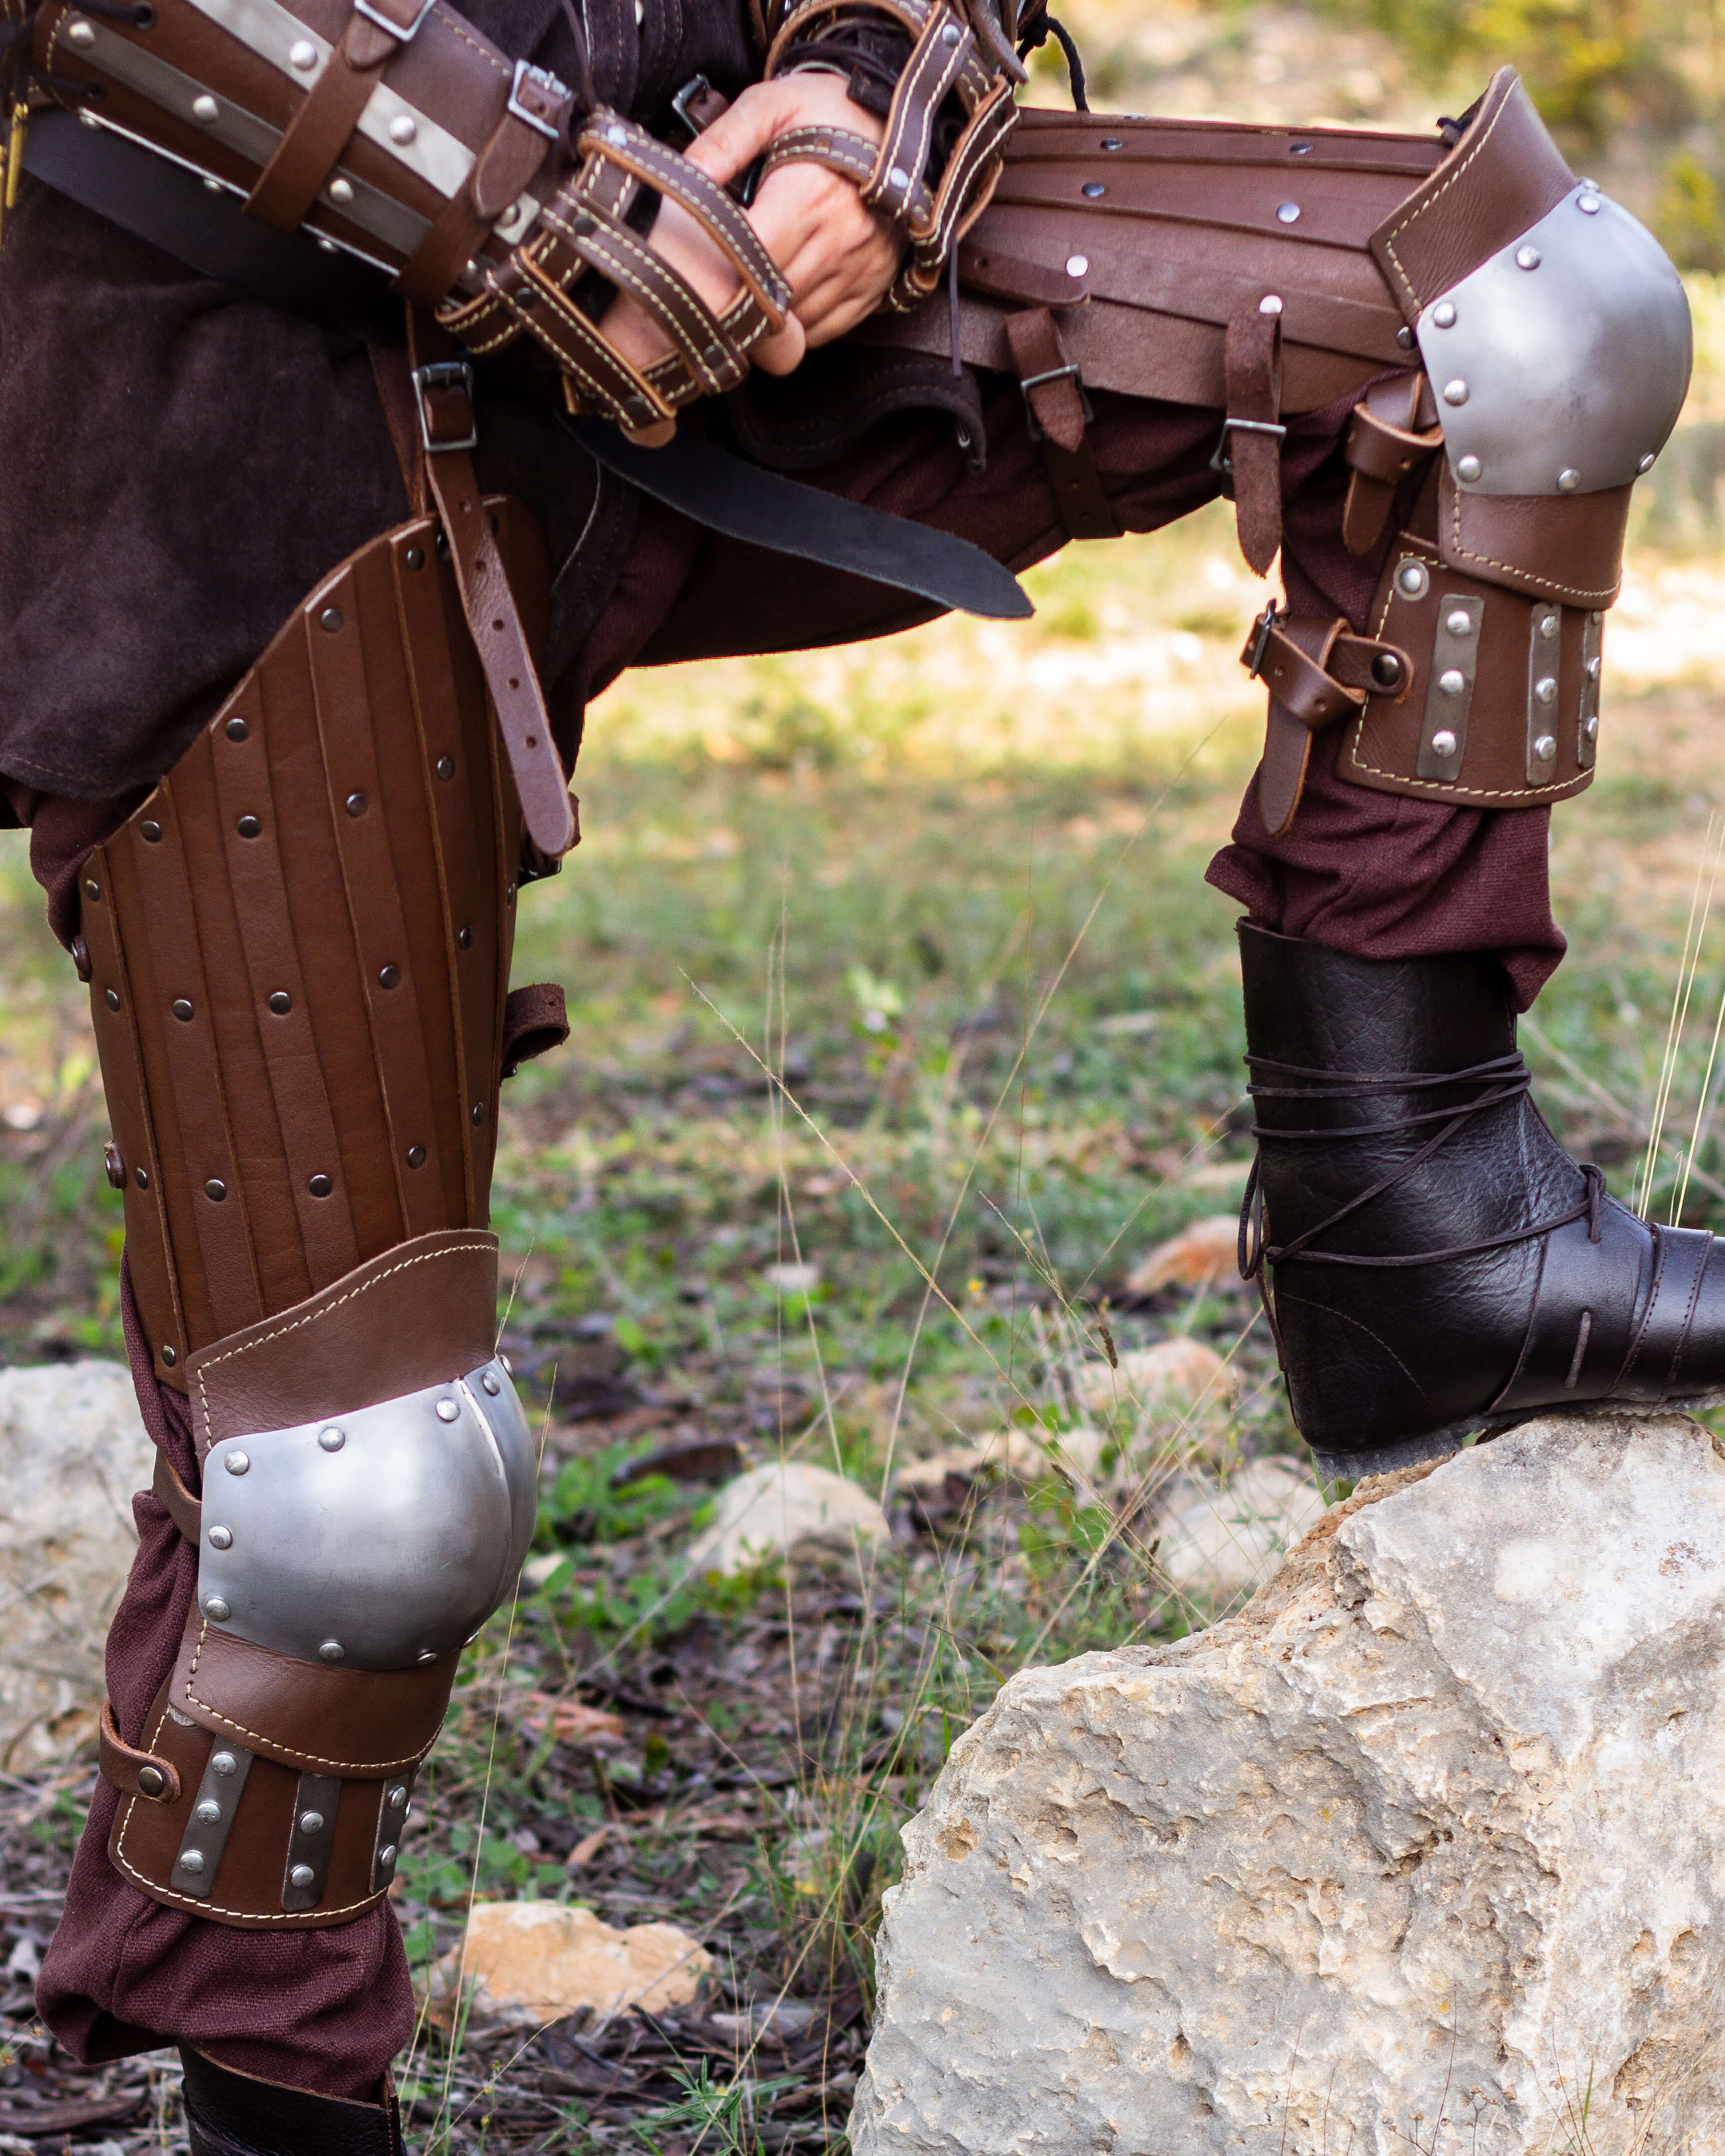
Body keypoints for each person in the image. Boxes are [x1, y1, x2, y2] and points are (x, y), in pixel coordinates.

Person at [0, 0, 1702, 2134]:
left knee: (1522, 308)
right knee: (355, 1510)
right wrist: (542, 212)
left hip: (750, 271)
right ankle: (279, 2094)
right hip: (251, 395)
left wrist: (873, 106)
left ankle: (1427, 1237)